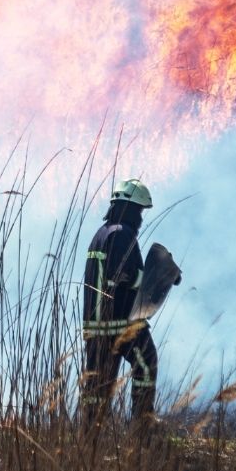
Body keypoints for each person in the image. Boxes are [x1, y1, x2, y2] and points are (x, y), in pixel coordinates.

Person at [80, 178, 175, 425]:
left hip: (96, 325)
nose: (141, 217)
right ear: (131, 209)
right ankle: (142, 424)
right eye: (140, 211)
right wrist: (158, 276)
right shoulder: (122, 234)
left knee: (97, 385)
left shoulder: (101, 234)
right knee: (146, 363)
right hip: (121, 322)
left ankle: (90, 436)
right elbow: (122, 274)